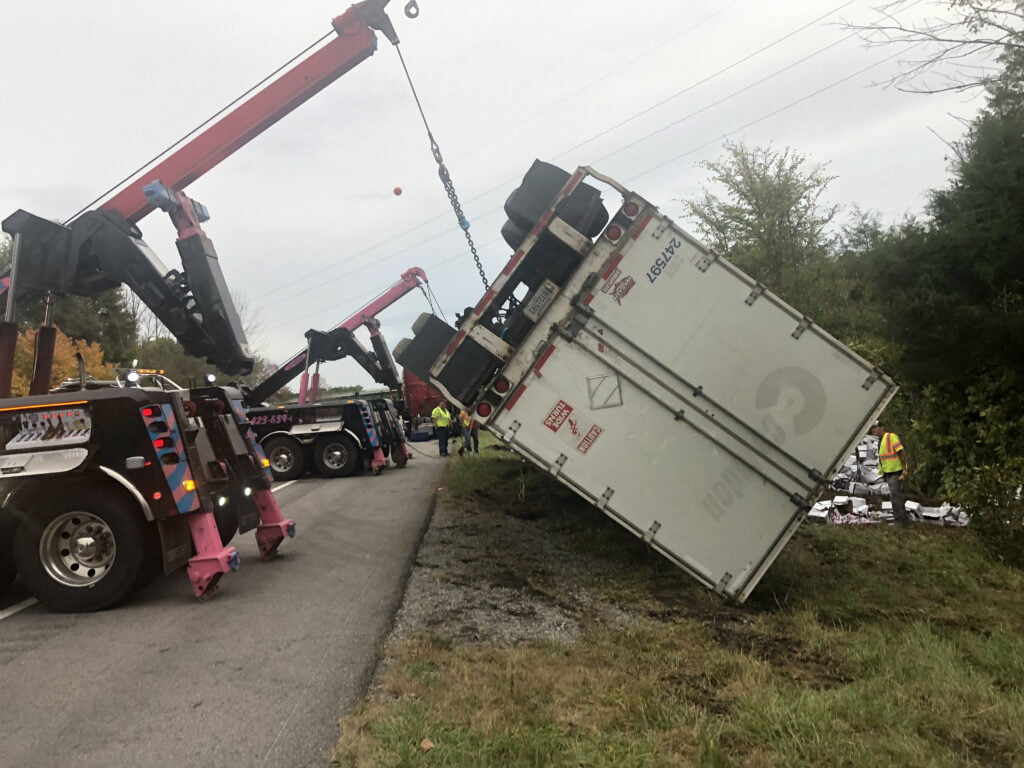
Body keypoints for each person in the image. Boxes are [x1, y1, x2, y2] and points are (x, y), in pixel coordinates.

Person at [870, 420, 910, 524]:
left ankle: (900, 521)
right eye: (872, 428)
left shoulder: (890, 437)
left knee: (895, 497)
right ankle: (903, 520)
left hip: (896, 471)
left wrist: (904, 469)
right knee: (897, 496)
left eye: (875, 427)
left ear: (882, 427)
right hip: (889, 473)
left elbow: (901, 452)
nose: (873, 430)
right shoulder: (881, 440)